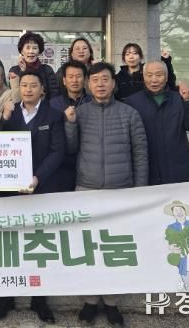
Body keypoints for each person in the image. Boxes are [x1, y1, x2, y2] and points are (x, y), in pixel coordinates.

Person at [64, 62, 148, 326]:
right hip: (86, 189)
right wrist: (70, 125)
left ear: (114, 83)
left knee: (114, 252)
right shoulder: (80, 112)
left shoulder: (129, 114)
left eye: (105, 79)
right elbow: (71, 149)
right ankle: (89, 301)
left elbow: (140, 154)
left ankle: (112, 303)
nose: (100, 84)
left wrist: (139, 191)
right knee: (87, 250)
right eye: (95, 80)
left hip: (120, 192)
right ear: (88, 85)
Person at [0, 70, 66, 323]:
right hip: (11, 190)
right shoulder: (11, 112)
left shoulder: (53, 115)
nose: (28, 89)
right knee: (10, 244)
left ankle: (39, 300)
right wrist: (4, 120)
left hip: (41, 188)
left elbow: (58, 152)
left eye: (33, 85)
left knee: (39, 245)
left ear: (42, 89)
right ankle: (6, 298)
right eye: (24, 85)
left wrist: (38, 177)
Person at [125, 60, 189, 185]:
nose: (154, 80)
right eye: (149, 75)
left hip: (177, 170)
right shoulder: (132, 102)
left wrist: (188, 100)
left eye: (159, 75)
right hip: (147, 172)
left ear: (166, 77)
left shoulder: (179, 99)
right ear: (144, 77)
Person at [49, 60, 92, 193]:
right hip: (61, 165)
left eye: (78, 76)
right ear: (64, 80)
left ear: (85, 80)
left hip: (88, 164)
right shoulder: (53, 104)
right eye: (70, 76)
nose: (74, 80)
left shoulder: (93, 102)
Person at [9, 31, 59, 102]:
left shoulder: (47, 70)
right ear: (22, 51)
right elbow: (14, 96)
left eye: (35, 48)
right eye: (28, 48)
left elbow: (55, 95)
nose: (31, 51)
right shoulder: (14, 70)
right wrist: (22, 71)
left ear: (39, 51)